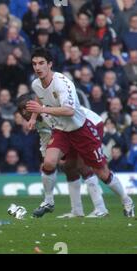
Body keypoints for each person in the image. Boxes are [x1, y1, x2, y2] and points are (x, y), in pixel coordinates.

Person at [26, 48, 134, 218]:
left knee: (101, 172)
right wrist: (34, 117)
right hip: (62, 130)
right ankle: (49, 201)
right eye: (34, 64)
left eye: (41, 63)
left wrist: (42, 109)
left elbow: (69, 111)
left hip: (82, 128)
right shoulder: (36, 84)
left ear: (50, 64)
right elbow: (40, 98)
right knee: (49, 162)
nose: (37, 67)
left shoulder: (62, 83)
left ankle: (126, 200)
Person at [17, 94, 109, 218]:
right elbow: (47, 140)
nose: (24, 113)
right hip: (71, 131)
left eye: (26, 108)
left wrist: (53, 159)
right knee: (69, 167)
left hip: (90, 124)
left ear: (35, 106)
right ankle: (77, 211)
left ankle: (101, 208)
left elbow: (67, 117)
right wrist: (48, 160)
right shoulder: (38, 122)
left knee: (82, 166)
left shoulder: (48, 112)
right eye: (21, 110)